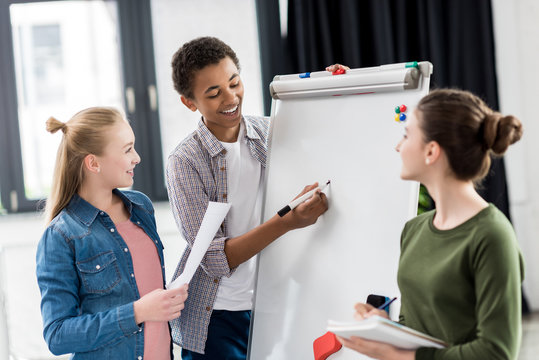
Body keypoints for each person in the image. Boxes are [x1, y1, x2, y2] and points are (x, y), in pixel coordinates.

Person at [166, 37, 341, 358]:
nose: (231, 97)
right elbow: (213, 259)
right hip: (218, 314)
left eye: (234, 82)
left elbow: (330, 137)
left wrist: (336, 89)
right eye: (214, 93)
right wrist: (286, 223)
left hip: (275, 302)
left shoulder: (271, 132)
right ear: (189, 103)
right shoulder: (185, 161)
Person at [337, 89, 524, 360]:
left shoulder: (492, 235)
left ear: (431, 151)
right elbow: (420, 327)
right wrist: (384, 326)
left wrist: (403, 358)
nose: (398, 146)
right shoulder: (413, 230)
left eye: (406, 135)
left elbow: (496, 352)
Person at [36, 107, 188, 359]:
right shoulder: (61, 236)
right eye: (127, 149)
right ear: (93, 162)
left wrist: (168, 299)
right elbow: (57, 335)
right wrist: (138, 312)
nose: (137, 157)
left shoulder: (141, 207)